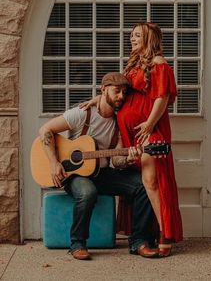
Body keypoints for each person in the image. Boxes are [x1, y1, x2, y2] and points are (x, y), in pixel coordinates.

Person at [81, 23, 183, 257]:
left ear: (149, 38)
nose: (132, 38)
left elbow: (162, 97)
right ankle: (144, 236)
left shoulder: (159, 64)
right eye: (132, 35)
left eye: (137, 35)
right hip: (130, 133)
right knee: (139, 183)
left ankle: (164, 232)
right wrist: (98, 99)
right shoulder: (135, 64)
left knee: (152, 182)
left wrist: (148, 123)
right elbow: (120, 91)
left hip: (149, 130)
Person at [39, 72, 158, 260]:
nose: (121, 96)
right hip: (73, 175)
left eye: (124, 92)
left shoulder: (118, 123)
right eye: (117, 91)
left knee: (142, 184)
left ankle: (139, 241)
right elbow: (45, 129)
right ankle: (77, 244)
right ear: (103, 90)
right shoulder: (82, 113)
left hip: (101, 173)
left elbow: (116, 161)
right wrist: (54, 163)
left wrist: (128, 157)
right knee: (87, 192)